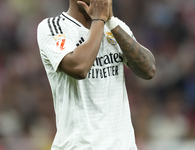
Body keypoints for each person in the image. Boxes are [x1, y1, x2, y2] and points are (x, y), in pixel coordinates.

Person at [37, 0, 156, 149]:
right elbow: (79, 67)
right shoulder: (53, 26)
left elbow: (149, 70)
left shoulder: (114, 26)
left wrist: (110, 21)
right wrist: (99, 19)